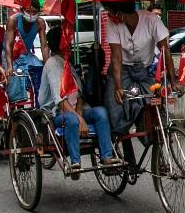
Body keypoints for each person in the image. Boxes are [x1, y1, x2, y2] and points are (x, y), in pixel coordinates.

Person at [39, 25, 123, 176]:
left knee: (101, 112)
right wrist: (79, 119)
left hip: (75, 109)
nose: (71, 45)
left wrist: (79, 110)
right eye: (68, 42)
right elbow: (60, 101)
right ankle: (75, 162)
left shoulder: (68, 64)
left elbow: (79, 93)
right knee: (72, 120)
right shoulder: (53, 64)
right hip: (57, 113)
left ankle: (107, 157)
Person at [103, 0, 175, 165]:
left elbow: (165, 50)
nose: (109, 15)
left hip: (144, 70)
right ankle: (122, 152)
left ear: (120, 14)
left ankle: (160, 155)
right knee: (117, 110)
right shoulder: (113, 24)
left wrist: (173, 80)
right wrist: (119, 87)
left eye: (111, 12)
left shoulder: (151, 20)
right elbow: (116, 56)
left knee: (153, 108)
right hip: (121, 71)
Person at [4, 2, 49, 71]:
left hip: (26, 54)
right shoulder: (13, 20)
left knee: (38, 69)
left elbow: (44, 46)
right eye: (28, 11)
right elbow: (8, 45)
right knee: (14, 78)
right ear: (22, 11)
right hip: (10, 55)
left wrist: (47, 65)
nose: (32, 14)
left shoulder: (40, 23)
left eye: (34, 12)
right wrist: (10, 66)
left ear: (38, 13)